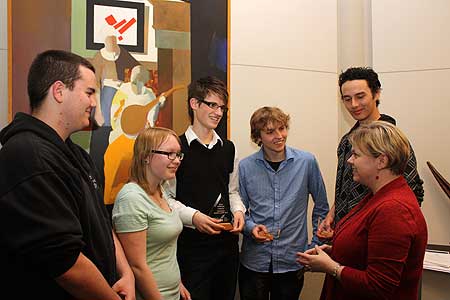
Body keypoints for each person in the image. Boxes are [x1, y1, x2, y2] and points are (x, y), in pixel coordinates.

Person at [0, 50, 135, 299]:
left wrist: (126, 272)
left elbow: (102, 223)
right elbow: (65, 262)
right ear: (59, 91)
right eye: (89, 92)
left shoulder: (76, 155)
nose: (94, 103)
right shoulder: (28, 156)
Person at [297, 121, 428, 300]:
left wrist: (331, 267)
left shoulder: (394, 210)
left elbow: (378, 286)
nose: (349, 160)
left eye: (356, 155)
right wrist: (334, 251)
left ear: (381, 161)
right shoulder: (378, 195)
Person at [238, 106, 329, 300]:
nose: (279, 136)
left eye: (282, 128)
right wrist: (251, 227)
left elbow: (321, 207)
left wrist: (315, 244)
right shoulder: (245, 167)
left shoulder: (307, 162)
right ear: (258, 136)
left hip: (292, 259)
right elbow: (239, 211)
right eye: (270, 132)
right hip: (254, 263)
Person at [168, 76, 246, 300]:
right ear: (194, 104)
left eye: (222, 107)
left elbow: (232, 191)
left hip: (227, 248)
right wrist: (194, 217)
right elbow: (166, 198)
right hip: (191, 248)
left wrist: (239, 211)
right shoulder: (176, 146)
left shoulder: (229, 148)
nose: (218, 112)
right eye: (212, 105)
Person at [319, 67, 424, 233]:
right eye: (347, 99)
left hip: (374, 233)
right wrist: (333, 214)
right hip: (346, 232)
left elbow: (412, 193)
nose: (353, 105)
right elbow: (344, 189)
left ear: (376, 94)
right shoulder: (346, 141)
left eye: (360, 97)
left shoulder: (392, 140)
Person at [112, 127, 190, 300]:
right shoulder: (131, 198)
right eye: (170, 153)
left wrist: (177, 284)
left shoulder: (160, 191)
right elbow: (137, 266)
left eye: (178, 154)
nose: (176, 160)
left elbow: (162, 250)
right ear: (146, 156)